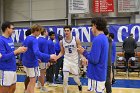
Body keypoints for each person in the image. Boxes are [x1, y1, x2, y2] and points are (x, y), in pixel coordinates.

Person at [22, 24, 57, 93]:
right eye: (39, 31)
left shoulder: (27, 38)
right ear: (36, 31)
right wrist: (49, 56)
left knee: (30, 80)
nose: (39, 33)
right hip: (32, 63)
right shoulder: (34, 40)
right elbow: (36, 52)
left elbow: (25, 50)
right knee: (32, 82)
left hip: (26, 62)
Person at [78, 17, 109, 93]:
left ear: (95, 25)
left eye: (92, 26)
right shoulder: (104, 38)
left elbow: (94, 60)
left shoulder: (97, 39)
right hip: (100, 73)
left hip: (96, 75)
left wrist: (84, 52)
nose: (91, 28)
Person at [0, 21, 27, 93]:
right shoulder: (1, 40)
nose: (13, 30)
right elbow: (2, 57)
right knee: (4, 90)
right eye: (12, 28)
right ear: (7, 29)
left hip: (13, 68)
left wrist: (19, 51)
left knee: (13, 88)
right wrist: (16, 51)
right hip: (5, 69)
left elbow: (12, 53)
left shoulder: (10, 39)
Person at [56, 26, 83, 93]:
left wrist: (82, 57)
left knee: (76, 79)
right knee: (65, 79)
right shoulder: (62, 42)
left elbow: (80, 50)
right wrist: (57, 57)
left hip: (74, 61)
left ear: (71, 31)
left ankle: (79, 85)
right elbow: (62, 52)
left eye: (68, 30)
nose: (66, 32)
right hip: (66, 61)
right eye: (65, 31)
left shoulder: (76, 39)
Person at [36, 28, 49, 92]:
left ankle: (38, 84)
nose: (47, 33)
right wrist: (48, 60)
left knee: (39, 73)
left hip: (37, 59)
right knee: (43, 73)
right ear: (44, 32)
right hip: (43, 59)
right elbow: (45, 52)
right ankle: (42, 87)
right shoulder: (44, 40)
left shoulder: (37, 39)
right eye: (47, 31)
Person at [104, 29, 112, 93]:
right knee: (108, 78)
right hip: (108, 61)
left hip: (104, 62)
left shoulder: (104, 39)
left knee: (106, 78)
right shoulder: (110, 40)